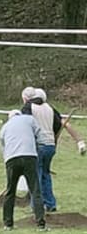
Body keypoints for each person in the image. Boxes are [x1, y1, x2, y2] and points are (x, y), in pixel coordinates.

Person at [22, 86, 87, 214]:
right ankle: (50, 204)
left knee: (36, 175)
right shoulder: (50, 109)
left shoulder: (29, 107)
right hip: (50, 146)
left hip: (38, 145)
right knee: (45, 174)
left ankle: (37, 206)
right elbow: (58, 127)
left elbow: (24, 125)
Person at [0, 108, 46, 231]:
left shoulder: (5, 127)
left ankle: (8, 224)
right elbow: (39, 133)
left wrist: (7, 159)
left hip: (11, 159)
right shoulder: (29, 119)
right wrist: (39, 146)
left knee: (10, 191)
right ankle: (41, 224)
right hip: (29, 157)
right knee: (35, 190)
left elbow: (2, 145)